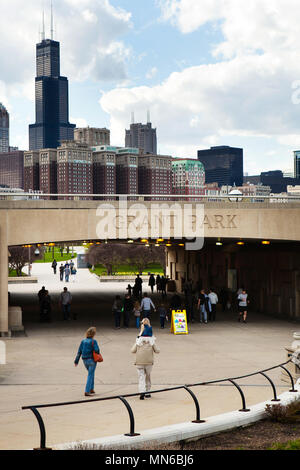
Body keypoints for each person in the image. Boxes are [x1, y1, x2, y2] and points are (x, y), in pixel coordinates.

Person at [131, 321, 160, 400]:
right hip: (149, 362)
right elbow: (157, 351)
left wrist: (137, 338)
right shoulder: (151, 340)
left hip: (139, 362)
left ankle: (142, 392)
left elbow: (132, 350)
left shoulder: (139, 339)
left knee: (141, 377)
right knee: (148, 376)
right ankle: (147, 392)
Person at [74, 327, 101, 397]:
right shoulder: (93, 341)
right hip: (92, 360)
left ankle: (91, 388)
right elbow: (97, 350)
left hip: (84, 360)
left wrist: (76, 361)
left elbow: (79, 352)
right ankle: (87, 390)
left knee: (91, 373)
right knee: (90, 375)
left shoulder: (83, 341)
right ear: (93, 334)